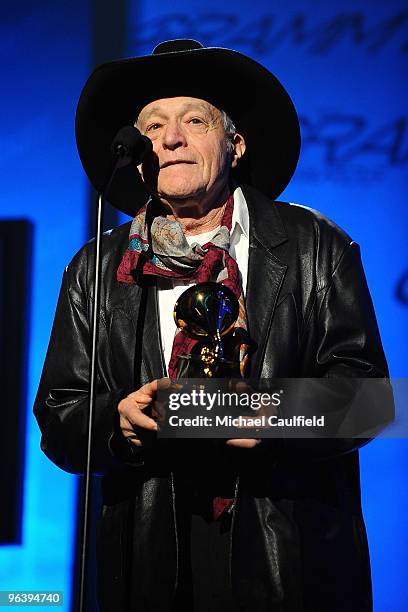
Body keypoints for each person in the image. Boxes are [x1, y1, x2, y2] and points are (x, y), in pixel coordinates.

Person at [34, 39, 391, 612]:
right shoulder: (97, 269)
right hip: (148, 559)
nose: (170, 138)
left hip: (289, 556)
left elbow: (372, 400)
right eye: (152, 126)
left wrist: (279, 417)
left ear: (237, 145)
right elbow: (59, 414)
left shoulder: (314, 247)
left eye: (193, 120)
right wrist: (117, 423)